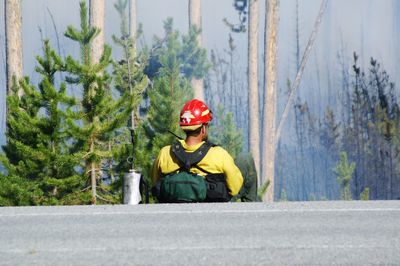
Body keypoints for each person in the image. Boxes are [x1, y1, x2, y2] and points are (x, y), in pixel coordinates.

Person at [151, 99, 244, 202]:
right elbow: (235, 188)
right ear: (203, 128)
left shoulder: (165, 153)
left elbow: (155, 183)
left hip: (172, 214)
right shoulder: (219, 154)